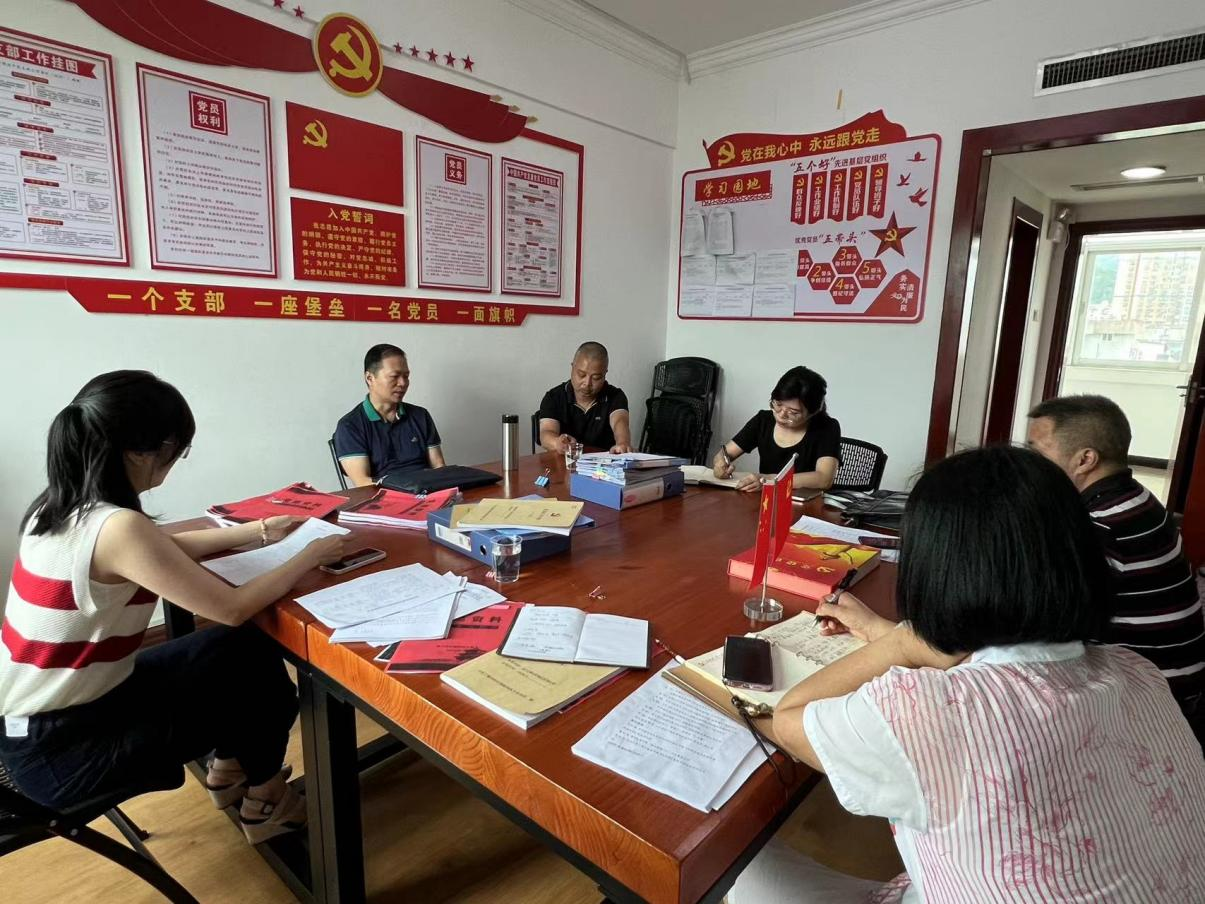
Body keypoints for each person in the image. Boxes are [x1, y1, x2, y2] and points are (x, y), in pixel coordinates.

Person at [730, 447, 1205, 903]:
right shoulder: (1137, 672)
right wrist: (882, 631)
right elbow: (1004, 665)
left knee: (742, 865)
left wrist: (903, 642)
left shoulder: (931, 713)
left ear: (934, 569)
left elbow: (790, 718)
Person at [0, 371, 348, 843]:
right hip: (65, 752)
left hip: (41, 722)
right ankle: (266, 801)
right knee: (260, 684)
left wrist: (260, 531)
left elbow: (158, 550)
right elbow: (231, 607)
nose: (175, 463)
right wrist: (310, 554)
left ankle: (230, 771)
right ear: (143, 451)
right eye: (178, 451)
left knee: (244, 649)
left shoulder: (60, 507)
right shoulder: (118, 527)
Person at [1027, 394, 1205, 748]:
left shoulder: (1099, 525)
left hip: (1153, 694)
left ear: (1085, 460)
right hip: (1179, 678)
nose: (1029, 464)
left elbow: (1049, 623)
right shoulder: (1137, 497)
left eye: (1038, 452)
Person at [713, 366, 841, 492]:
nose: (781, 415)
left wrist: (769, 480)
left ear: (813, 412)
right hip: (766, 499)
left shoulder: (827, 427)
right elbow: (725, 454)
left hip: (805, 501)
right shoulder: (763, 420)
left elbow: (824, 479)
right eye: (778, 404)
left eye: (793, 412)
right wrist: (720, 464)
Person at [335, 344, 446, 487]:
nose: (403, 383)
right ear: (370, 378)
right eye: (394, 376)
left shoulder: (420, 416)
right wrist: (410, 490)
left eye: (406, 376)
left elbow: (439, 467)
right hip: (387, 496)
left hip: (429, 491)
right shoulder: (350, 426)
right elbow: (363, 483)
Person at [538, 341, 633, 454]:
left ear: (605, 373)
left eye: (596, 378)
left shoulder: (615, 396)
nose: (587, 383)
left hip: (603, 463)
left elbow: (620, 422)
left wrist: (623, 442)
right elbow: (547, 432)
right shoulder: (554, 397)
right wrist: (557, 443)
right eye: (581, 375)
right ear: (572, 367)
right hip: (564, 461)